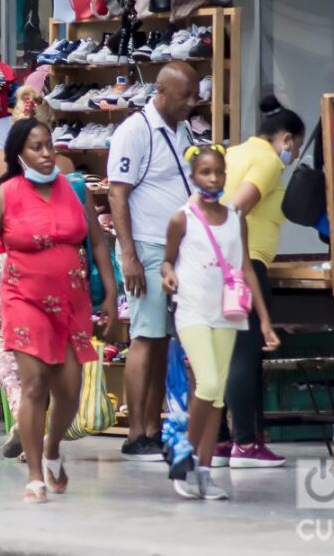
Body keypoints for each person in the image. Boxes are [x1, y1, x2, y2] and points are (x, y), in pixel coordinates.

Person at [0, 118, 117, 503]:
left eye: (50, 145)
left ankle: (51, 449)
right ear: (19, 154)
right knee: (33, 387)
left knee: (69, 390)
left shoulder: (75, 191)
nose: (47, 154)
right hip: (23, 300)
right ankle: (35, 475)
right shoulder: (4, 197)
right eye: (37, 147)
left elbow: (97, 244)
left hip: (70, 300)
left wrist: (111, 293)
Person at [161, 145, 277, 500]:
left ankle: (205, 472)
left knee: (215, 398)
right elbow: (167, 261)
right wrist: (168, 275)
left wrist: (267, 323)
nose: (213, 178)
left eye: (219, 172)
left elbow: (245, 269)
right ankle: (184, 456)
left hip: (229, 313)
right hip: (192, 310)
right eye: (205, 172)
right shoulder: (183, 218)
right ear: (194, 177)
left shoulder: (235, 218)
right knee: (209, 385)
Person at [107, 61, 198, 461]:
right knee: (145, 336)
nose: (192, 104)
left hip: (175, 250)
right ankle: (135, 434)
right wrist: (129, 255)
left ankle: (154, 426)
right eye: (185, 97)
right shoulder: (135, 131)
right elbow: (117, 195)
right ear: (162, 92)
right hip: (145, 247)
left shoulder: (182, 129)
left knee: (162, 339)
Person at [0, 93, 75, 458]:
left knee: (3, 342)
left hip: (8, 262)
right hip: (56, 267)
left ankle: (24, 412)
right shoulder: (64, 164)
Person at [213, 95, 301, 468]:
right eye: (294, 148)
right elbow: (236, 208)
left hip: (212, 263)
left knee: (220, 354)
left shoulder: (233, 154)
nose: (294, 156)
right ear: (285, 137)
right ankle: (246, 445)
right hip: (242, 263)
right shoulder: (267, 161)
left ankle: (218, 441)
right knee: (243, 354)